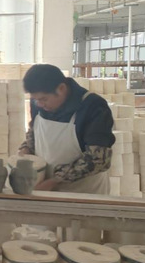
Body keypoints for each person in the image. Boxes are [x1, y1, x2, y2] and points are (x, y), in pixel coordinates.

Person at [19, 64, 115, 194]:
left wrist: (54, 181)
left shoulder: (93, 107)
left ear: (61, 88)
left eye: (43, 99)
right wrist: (27, 148)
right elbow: (34, 130)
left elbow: (99, 160)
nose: (39, 104)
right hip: (44, 187)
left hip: (84, 192)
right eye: (35, 100)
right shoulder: (39, 103)